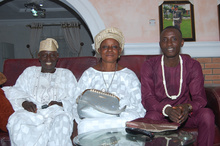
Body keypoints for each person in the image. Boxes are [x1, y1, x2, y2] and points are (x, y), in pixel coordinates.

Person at [141, 26, 215, 146]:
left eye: (174, 39)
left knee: (207, 114)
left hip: (185, 115)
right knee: (151, 117)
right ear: (160, 44)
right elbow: (148, 98)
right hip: (162, 114)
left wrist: (186, 108)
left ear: (181, 42)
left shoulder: (192, 65)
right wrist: (168, 110)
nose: (169, 43)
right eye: (164, 40)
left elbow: (200, 98)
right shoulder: (149, 66)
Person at [3, 38, 77, 146]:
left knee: (63, 119)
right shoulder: (29, 72)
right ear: (39, 56)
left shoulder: (67, 74)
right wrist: (24, 102)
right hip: (32, 113)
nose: (48, 58)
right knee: (17, 119)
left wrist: (61, 104)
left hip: (56, 113)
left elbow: (76, 98)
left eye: (52, 55)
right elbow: (16, 90)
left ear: (57, 57)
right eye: (44, 55)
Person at [75, 27, 145, 135]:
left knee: (131, 119)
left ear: (119, 51)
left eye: (114, 47)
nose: (110, 50)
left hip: (121, 118)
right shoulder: (89, 74)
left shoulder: (128, 75)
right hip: (95, 118)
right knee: (84, 125)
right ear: (99, 50)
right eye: (105, 47)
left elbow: (139, 105)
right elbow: (77, 101)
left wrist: (120, 110)